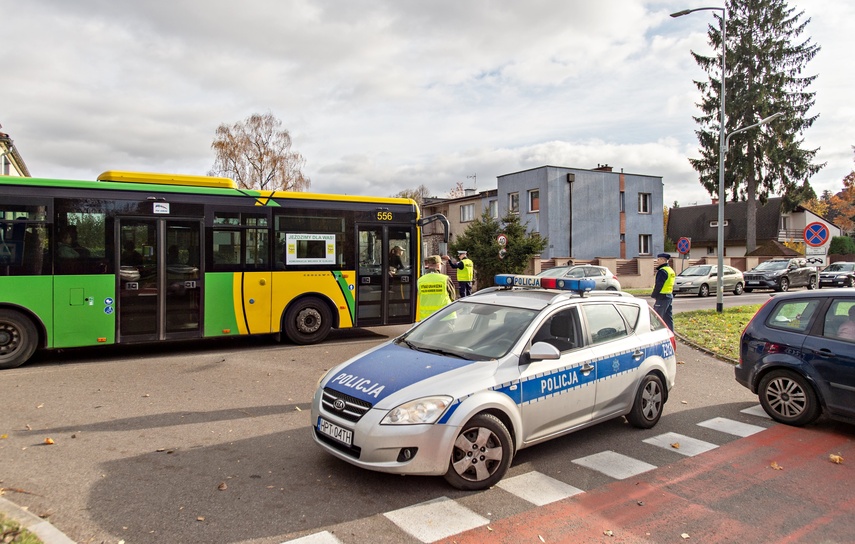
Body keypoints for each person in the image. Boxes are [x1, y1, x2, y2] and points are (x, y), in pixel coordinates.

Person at [417, 255, 456, 321]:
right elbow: (453, 297)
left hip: (426, 318)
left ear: (428, 266)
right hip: (445, 317)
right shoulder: (445, 279)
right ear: (438, 265)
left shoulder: (420, 280)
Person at [651, 252, 675, 331]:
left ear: (662, 260)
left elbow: (659, 285)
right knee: (668, 318)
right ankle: (670, 333)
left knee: (657, 317)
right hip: (668, 295)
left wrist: (654, 295)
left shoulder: (662, 271)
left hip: (662, 297)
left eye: (658, 259)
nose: (657, 261)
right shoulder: (670, 270)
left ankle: (658, 335)